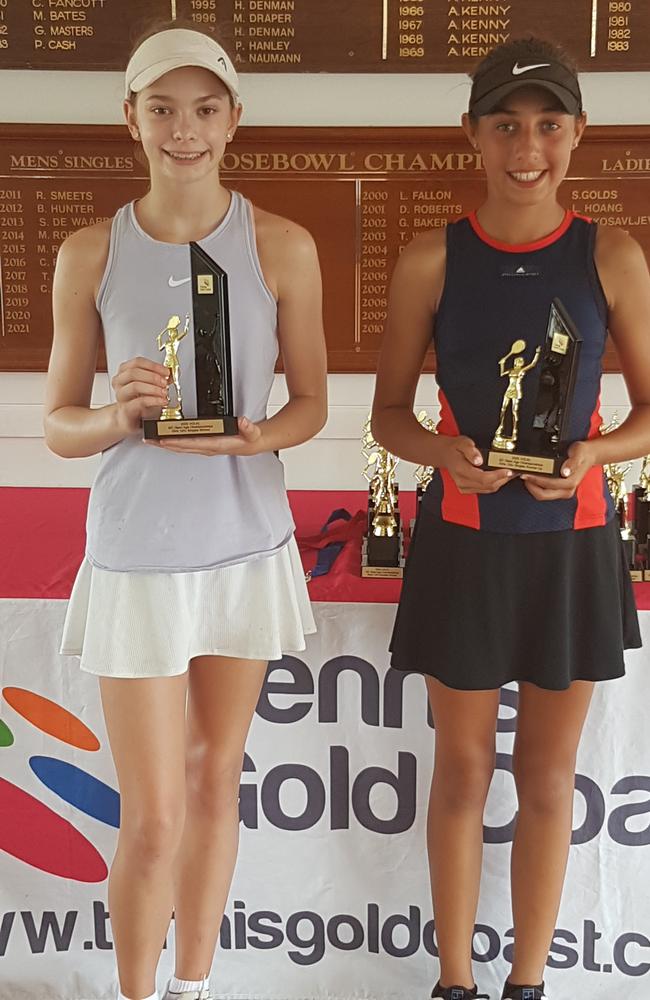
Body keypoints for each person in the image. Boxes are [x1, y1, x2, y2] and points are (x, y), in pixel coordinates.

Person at [44, 22, 326, 1000]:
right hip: (135, 559)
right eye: (162, 108)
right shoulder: (89, 251)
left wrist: (250, 437)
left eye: (204, 108)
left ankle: (194, 987)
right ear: (130, 117)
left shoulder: (283, 245)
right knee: (154, 813)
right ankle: (134, 993)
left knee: (216, 786)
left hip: (244, 546)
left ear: (233, 119)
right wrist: (117, 413)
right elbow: (57, 426)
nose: (184, 128)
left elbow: (311, 405)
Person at [371, 36, 650, 1000]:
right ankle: (454, 982)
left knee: (544, 777)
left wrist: (593, 453)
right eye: (506, 125)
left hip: (571, 544)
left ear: (577, 133)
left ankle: (528, 982)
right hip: (465, 542)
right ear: (474, 136)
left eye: (547, 124)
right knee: (458, 770)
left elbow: (649, 411)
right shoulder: (428, 259)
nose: (527, 145)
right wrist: (444, 452)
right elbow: (388, 414)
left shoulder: (610, 253)